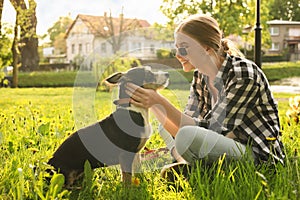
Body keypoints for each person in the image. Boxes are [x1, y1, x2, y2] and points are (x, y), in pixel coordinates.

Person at [126, 14, 285, 178]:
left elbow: (213, 131)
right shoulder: (200, 76)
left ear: (206, 48)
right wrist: (153, 103)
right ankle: (193, 167)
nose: (178, 55)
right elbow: (186, 123)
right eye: (176, 49)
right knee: (167, 127)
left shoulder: (242, 74)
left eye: (183, 48)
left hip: (257, 156)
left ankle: (196, 169)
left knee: (186, 136)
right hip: (223, 145)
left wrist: (159, 101)